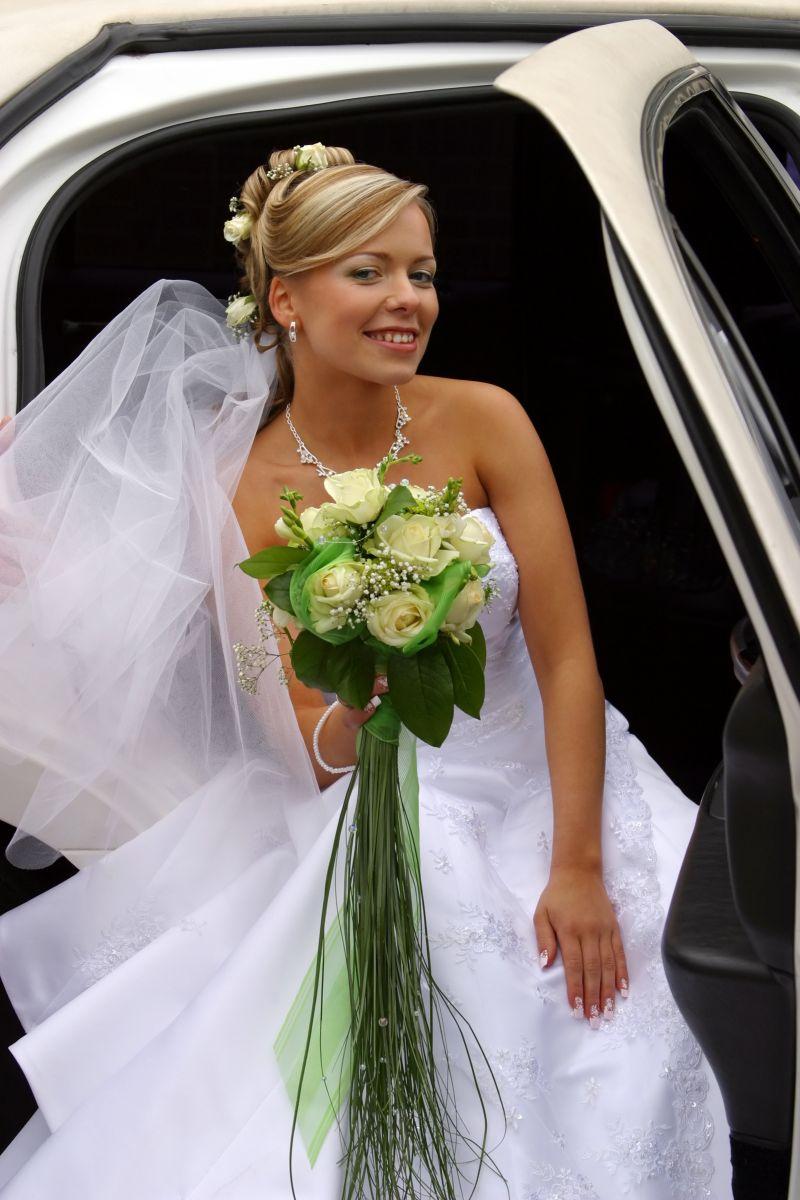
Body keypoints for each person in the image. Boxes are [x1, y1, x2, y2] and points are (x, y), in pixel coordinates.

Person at [0, 144, 732, 1198]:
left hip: (560, 780)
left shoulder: (485, 418)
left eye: (421, 273)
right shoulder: (242, 481)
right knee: (424, 901)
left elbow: (570, 662)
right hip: (394, 804)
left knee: (674, 967)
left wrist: (576, 866)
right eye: (370, 272)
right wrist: (355, 711)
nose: (407, 301)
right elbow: (305, 737)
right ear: (285, 298)